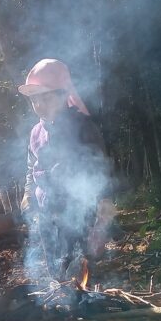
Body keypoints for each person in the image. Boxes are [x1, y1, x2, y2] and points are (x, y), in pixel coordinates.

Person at [18, 59, 115, 279]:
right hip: (46, 212)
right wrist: (27, 193)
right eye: (34, 99)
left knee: (80, 263)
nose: (39, 104)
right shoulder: (35, 132)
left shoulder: (83, 127)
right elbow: (31, 166)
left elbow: (98, 165)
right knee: (55, 264)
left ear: (63, 95)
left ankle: (86, 303)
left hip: (78, 211)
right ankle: (61, 299)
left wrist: (104, 202)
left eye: (46, 97)